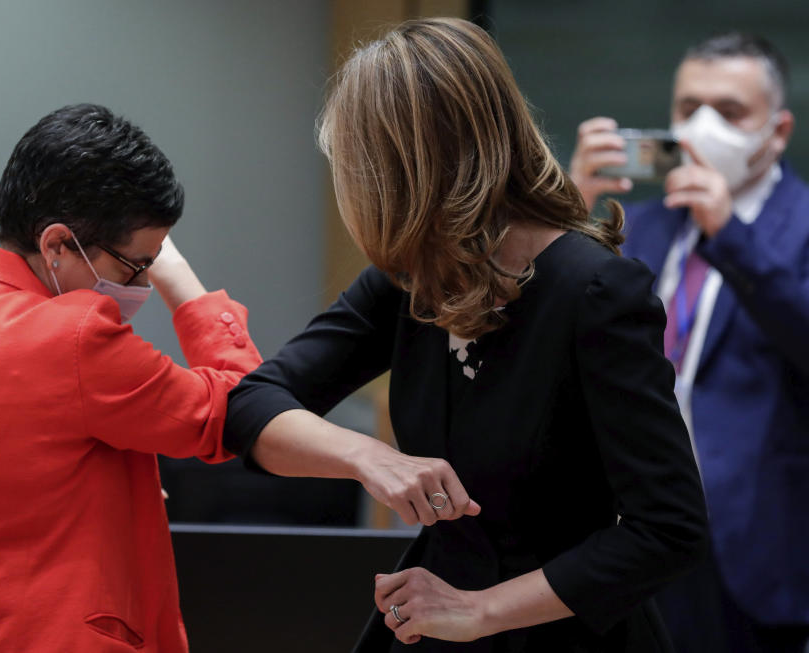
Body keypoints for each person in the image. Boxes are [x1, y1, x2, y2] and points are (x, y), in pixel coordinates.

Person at [223, 18, 708, 652]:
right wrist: (372, 459)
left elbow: (669, 529)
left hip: (555, 628)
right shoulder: (406, 281)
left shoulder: (594, 292)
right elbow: (251, 406)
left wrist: (481, 610)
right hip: (433, 617)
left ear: (402, 172)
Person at [0, 103, 266, 652]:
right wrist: (181, 285)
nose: (139, 282)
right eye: (134, 265)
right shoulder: (73, 336)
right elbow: (242, 410)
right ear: (56, 246)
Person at [569, 33, 809, 653]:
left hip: (752, 545)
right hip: (629, 537)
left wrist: (731, 236)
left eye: (729, 112)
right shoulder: (640, 223)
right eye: (688, 109)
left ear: (777, 132)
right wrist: (568, 211)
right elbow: (558, 342)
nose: (703, 127)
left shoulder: (801, 223)